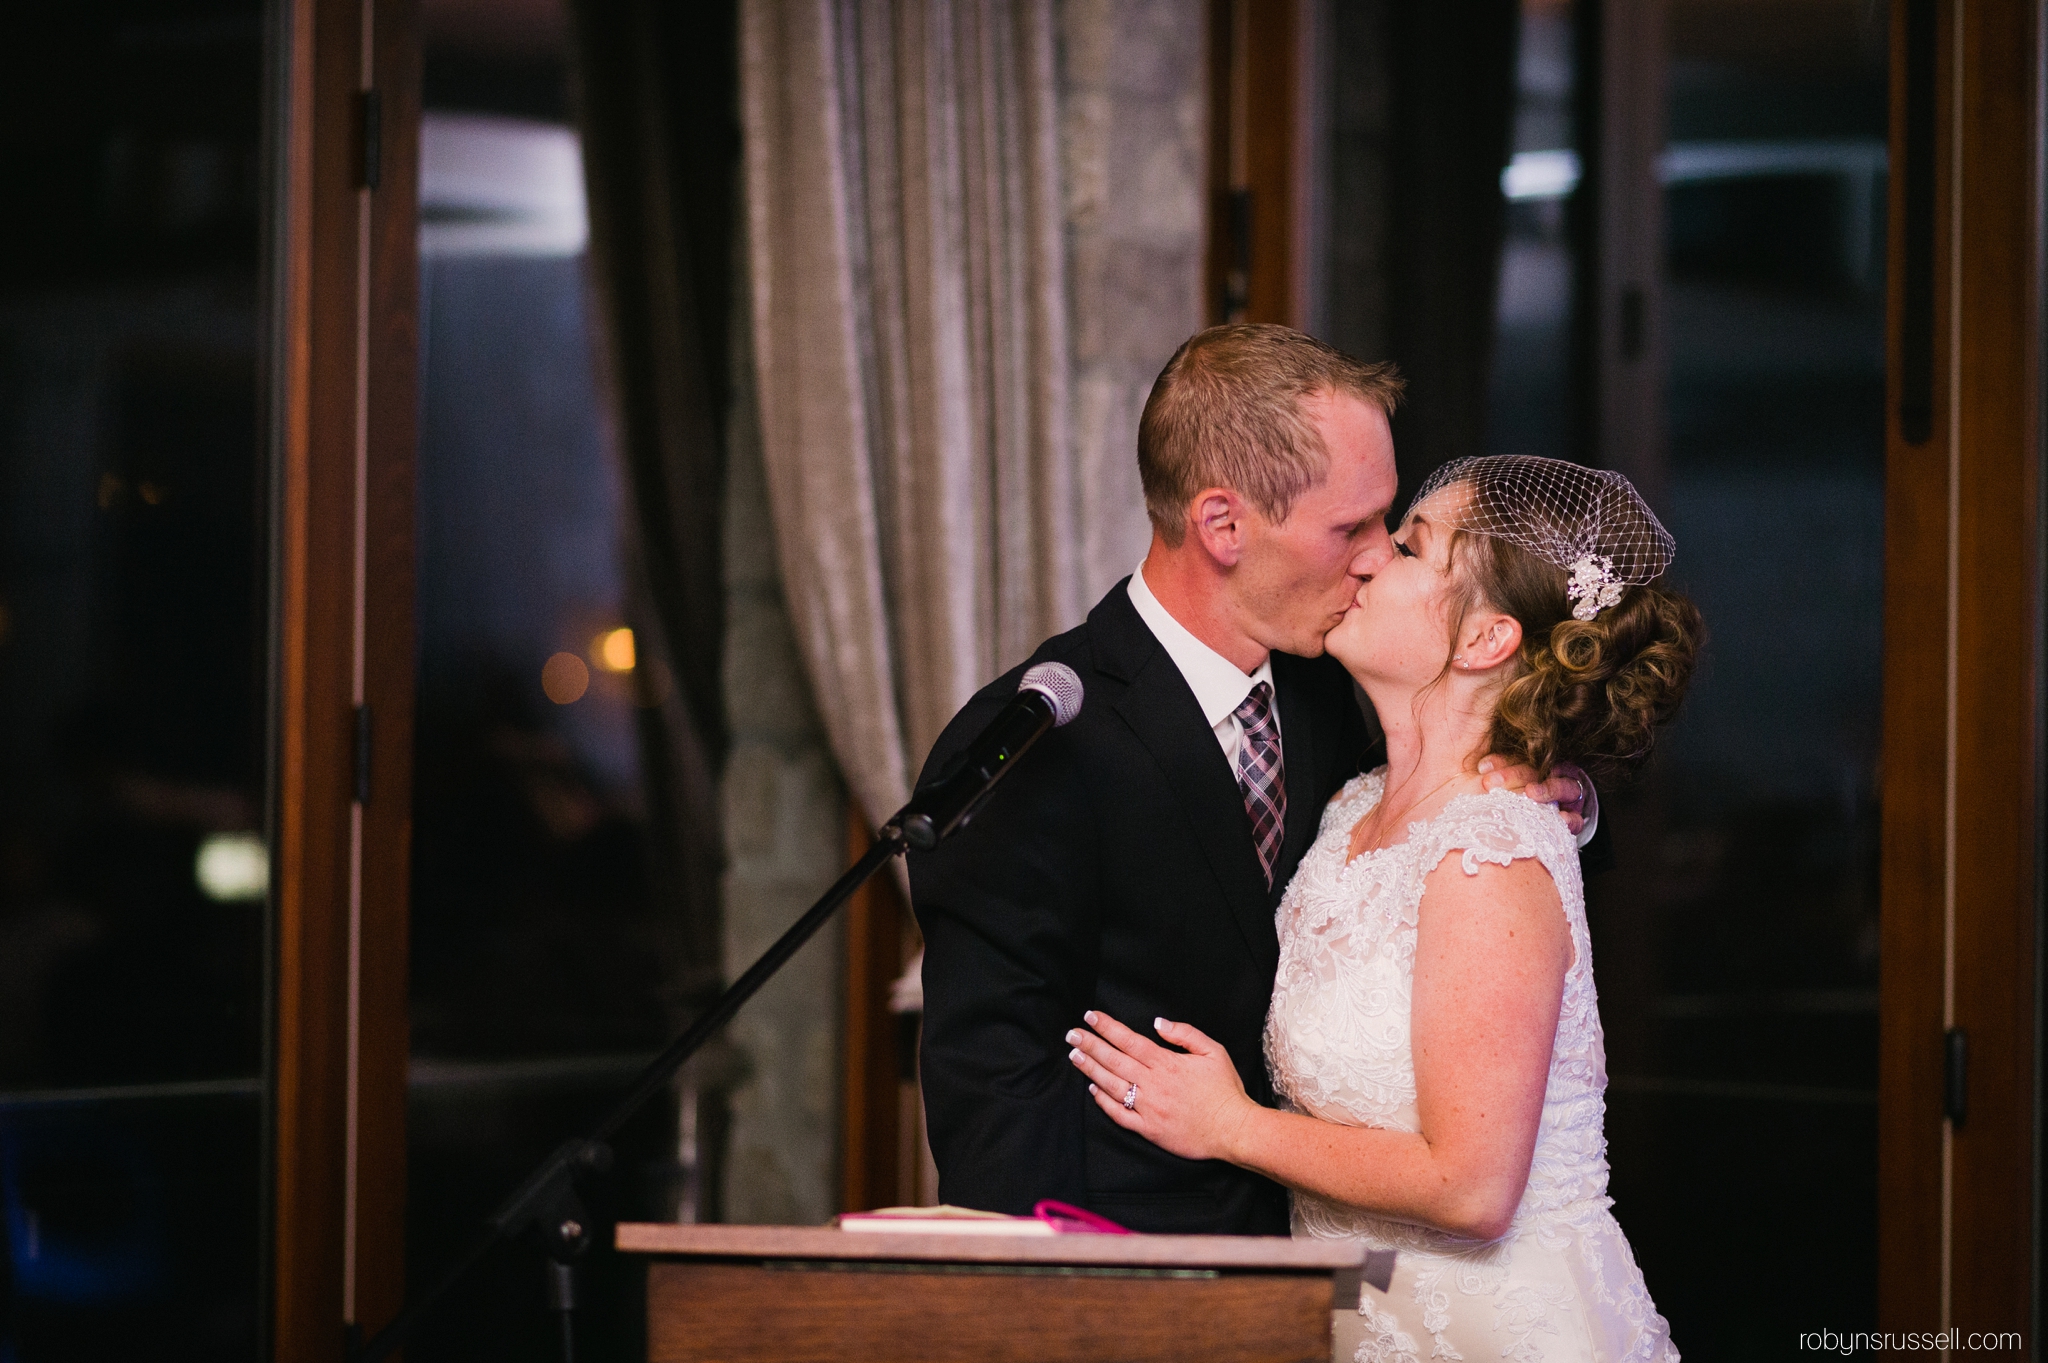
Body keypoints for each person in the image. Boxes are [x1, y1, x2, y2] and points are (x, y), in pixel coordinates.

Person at [909, 325, 1592, 1235]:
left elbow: (1442, 820)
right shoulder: (1039, 740)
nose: (1378, 554)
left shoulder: (1329, 684)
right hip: (1146, 1266)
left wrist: (1566, 797)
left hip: (1341, 1251)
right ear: (1224, 525)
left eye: (1387, 520)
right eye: (1351, 526)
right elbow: (993, 1097)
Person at [1067, 454, 1698, 1360]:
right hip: (1358, 1315)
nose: (1366, 560)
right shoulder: (1354, 807)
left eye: (1408, 547)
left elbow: (1474, 1187)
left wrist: (1229, 1123)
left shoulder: (1490, 856)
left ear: (1485, 639)